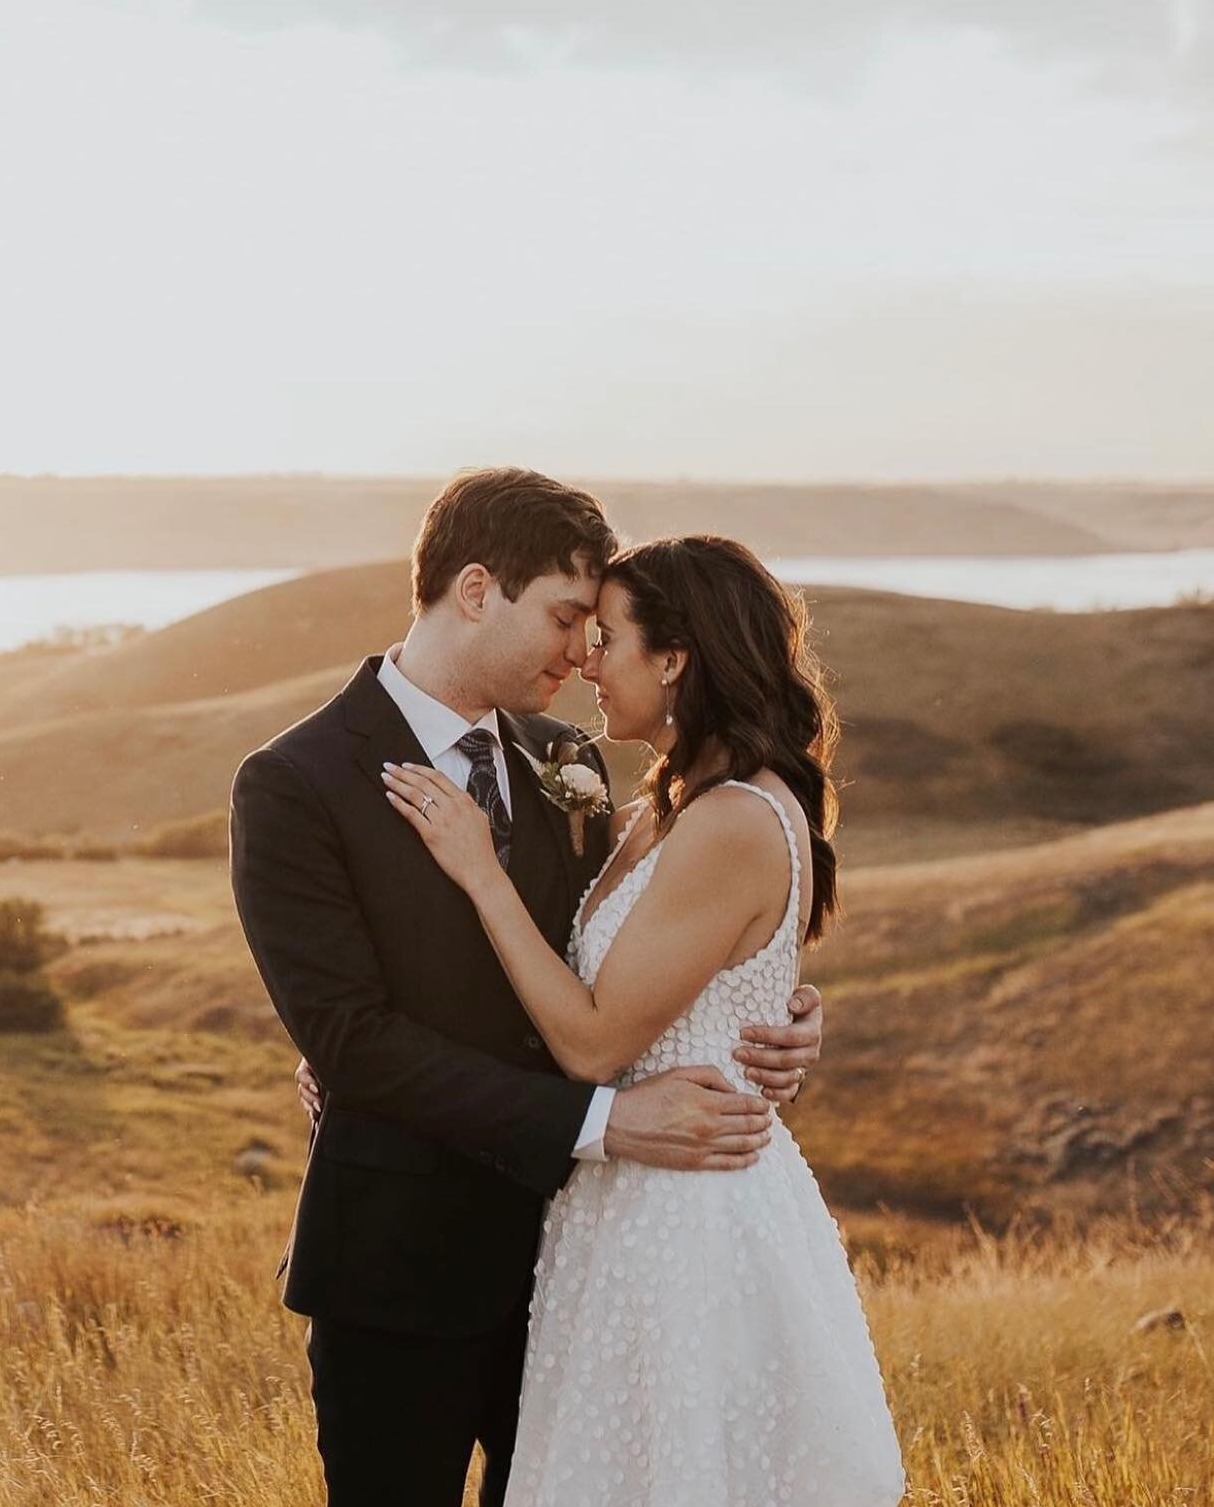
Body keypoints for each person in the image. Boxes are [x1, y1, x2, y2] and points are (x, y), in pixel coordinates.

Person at [229, 469, 826, 1507]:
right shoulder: (297, 782)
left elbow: (636, 957)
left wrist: (771, 1012)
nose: (581, 652)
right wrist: (604, 1122)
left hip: (584, 1267)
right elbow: (355, 1042)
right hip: (399, 1271)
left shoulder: (571, 760)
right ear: (473, 591)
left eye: (596, 629)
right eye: (563, 618)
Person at [380, 532, 905, 1506]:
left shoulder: (735, 820)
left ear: (675, 660)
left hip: (687, 1208)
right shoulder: (659, 807)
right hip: (622, 1196)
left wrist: (478, 870)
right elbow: (683, 973)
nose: (585, 658)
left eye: (609, 637)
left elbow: (592, 1040)